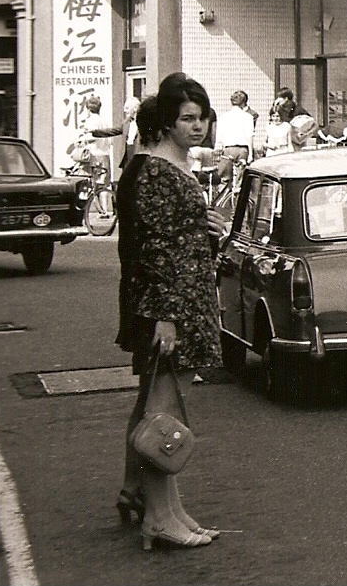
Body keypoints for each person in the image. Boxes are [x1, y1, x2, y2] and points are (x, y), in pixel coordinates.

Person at [114, 73, 224, 549]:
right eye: (187, 118)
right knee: (165, 416)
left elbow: (176, 237)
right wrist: (164, 316)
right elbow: (155, 248)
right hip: (172, 308)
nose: (197, 126)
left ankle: (169, 508)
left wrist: (203, 227)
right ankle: (158, 517)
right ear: (167, 122)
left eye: (202, 117)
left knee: (165, 410)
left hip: (187, 302)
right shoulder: (158, 170)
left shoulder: (173, 165)